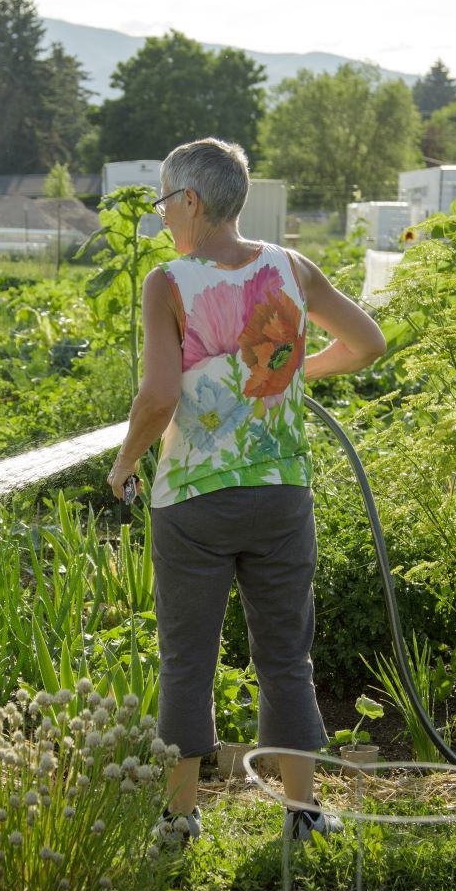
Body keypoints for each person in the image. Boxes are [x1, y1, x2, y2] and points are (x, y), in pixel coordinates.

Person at [105, 138, 387, 842]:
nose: (164, 215)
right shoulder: (291, 267)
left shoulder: (168, 281)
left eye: (166, 201)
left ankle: (179, 821)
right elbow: (367, 344)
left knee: (188, 660)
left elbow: (160, 393)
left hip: (195, 504)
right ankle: (303, 814)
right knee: (287, 657)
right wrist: (289, 371)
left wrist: (123, 463)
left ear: (191, 202)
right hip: (280, 494)